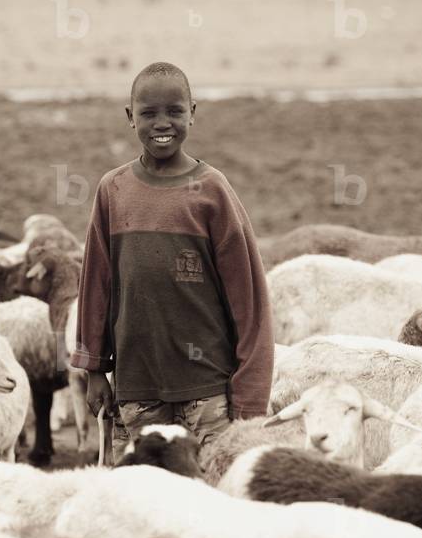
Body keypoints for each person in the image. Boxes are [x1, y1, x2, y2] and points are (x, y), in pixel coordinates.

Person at [70, 61, 274, 463]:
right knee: (140, 498)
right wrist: (94, 368)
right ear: (131, 118)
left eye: (175, 112)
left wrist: (249, 396)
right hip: (136, 388)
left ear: (192, 113)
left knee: (213, 495)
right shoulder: (112, 190)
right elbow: (97, 283)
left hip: (207, 393)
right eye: (148, 113)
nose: (162, 123)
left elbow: (249, 299)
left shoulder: (211, 191)